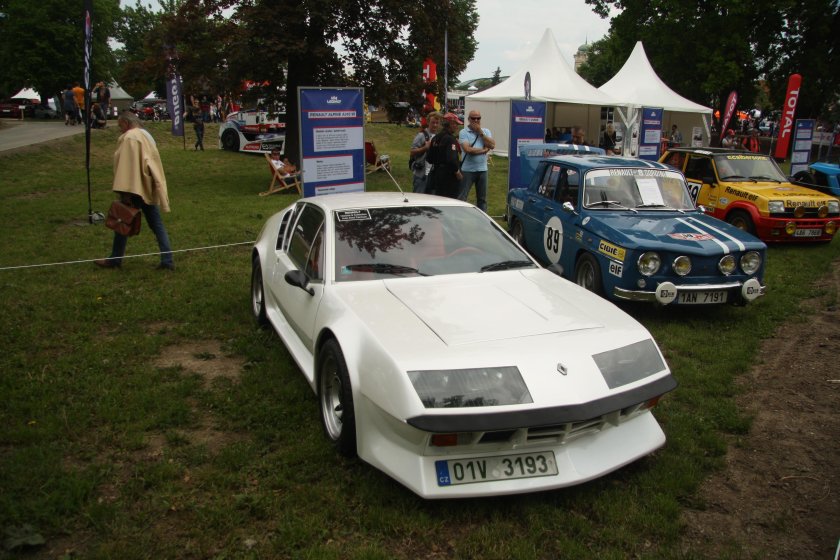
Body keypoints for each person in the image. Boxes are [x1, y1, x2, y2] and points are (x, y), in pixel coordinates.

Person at [95, 111, 174, 271]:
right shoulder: (147, 136)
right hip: (147, 185)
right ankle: (167, 260)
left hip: (134, 188)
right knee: (156, 224)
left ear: (126, 123)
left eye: (120, 126)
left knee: (122, 220)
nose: (120, 129)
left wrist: (125, 191)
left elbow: (127, 167)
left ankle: (115, 259)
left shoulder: (130, 137)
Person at [457, 110, 495, 211]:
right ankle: (458, 217)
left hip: (482, 169)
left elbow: (492, 145)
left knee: (482, 199)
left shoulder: (486, 131)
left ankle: (482, 218)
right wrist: (484, 150)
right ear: (469, 119)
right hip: (467, 170)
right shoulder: (463, 132)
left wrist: (480, 133)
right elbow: (468, 149)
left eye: (478, 118)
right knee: (462, 197)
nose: (476, 120)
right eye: (473, 118)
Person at [426, 112, 463, 198]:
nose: (457, 126)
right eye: (456, 124)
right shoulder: (450, 139)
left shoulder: (435, 138)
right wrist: (457, 172)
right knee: (450, 201)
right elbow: (451, 159)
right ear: (450, 124)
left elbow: (429, 158)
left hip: (436, 175)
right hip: (449, 177)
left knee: (438, 199)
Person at [409, 112, 441, 193]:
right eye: (433, 122)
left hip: (434, 175)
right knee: (418, 198)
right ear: (428, 122)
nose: (435, 125)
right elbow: (412, 152)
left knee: (432, 199)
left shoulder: (439, 137)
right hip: (421, 174)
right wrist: (425, 148)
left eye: (437, 123)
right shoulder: (421, 135)